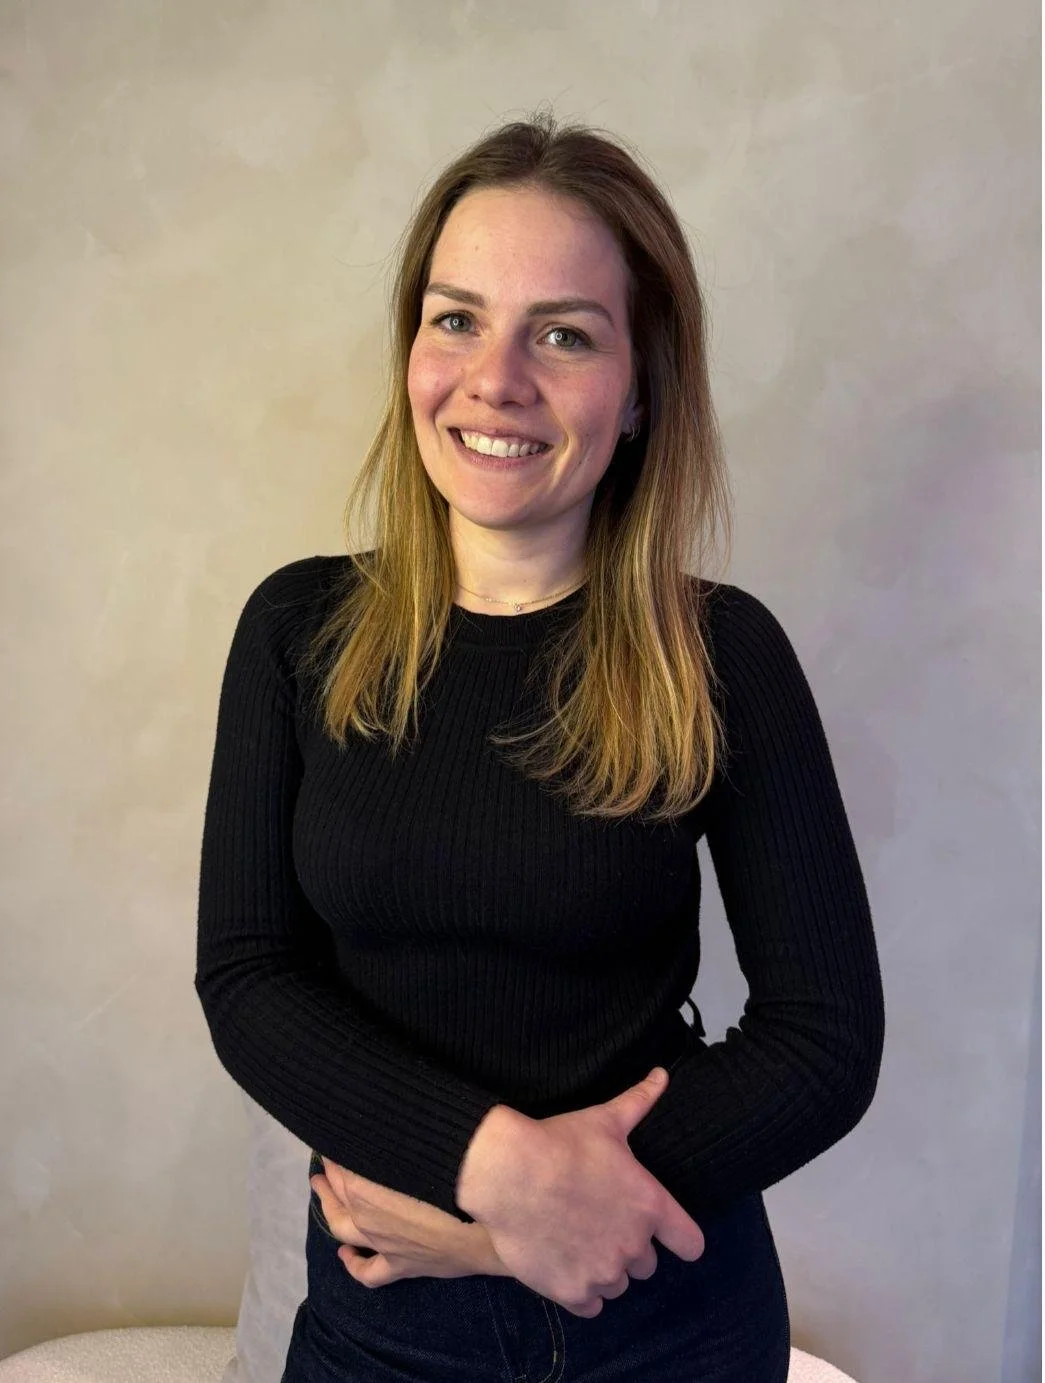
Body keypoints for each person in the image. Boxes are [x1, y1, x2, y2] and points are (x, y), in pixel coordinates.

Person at [196, 109, 885, 1383]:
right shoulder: (296, 629)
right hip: (379, 1321)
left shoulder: (719, 653)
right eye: (456, 318)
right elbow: (247, 978)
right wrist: (493, 1172)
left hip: (666, 1314)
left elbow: (824, 1039)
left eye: (563, 333)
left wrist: (531, 1227)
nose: (494, 378)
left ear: (638, 393)